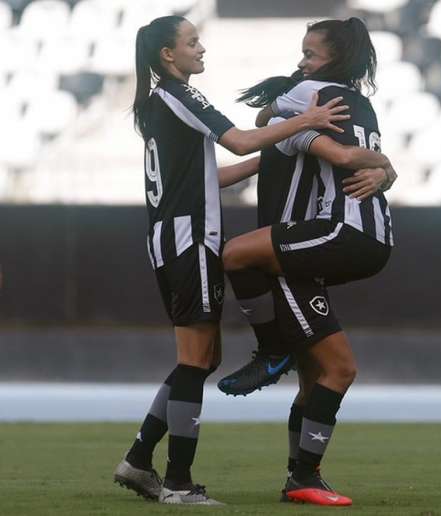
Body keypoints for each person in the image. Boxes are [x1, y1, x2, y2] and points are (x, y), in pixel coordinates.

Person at [111, 15, 349, 506]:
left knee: (201, 358)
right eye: (192, 42)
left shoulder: (157, 104)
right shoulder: (182, 94)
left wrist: (276, 155)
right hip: (191, 239)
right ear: (168, 56)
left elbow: (209, 177)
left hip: (171, 237)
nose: (202, 49)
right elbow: (238, 139)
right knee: (195, 360)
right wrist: (305, 122)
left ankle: (138, 460)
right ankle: (177, 483)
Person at [219, 17, 394, 507]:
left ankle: (270, 351)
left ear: (330, 63)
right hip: (371, 237)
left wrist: (283, 109)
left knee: (235, 252)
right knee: (324, 374)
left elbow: (258, 128)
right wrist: (386, 167)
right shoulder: (361, 108)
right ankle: (303, 476)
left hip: (337, 230)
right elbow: (258, 160)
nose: (301, 63)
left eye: (309, 54)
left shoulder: (308, 100)